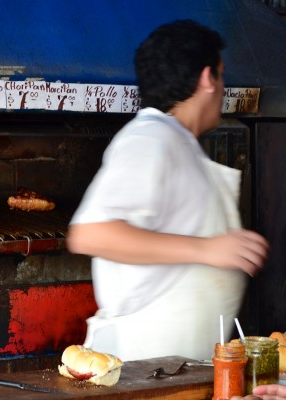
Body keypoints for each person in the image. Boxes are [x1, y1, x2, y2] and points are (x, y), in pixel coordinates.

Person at [66, 19, 269, 362]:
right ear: (207, 78)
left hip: (177, 366)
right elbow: (90, 234)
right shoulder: (150, 139)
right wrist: (208, 249)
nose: (223, 88)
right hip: (142, 368)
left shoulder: (178, 142)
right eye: (221, 75)